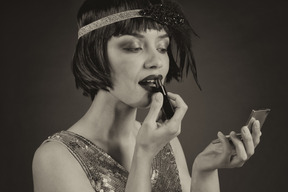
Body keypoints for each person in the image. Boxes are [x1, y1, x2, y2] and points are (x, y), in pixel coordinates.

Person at [32, 0, 262, 191]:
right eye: (133, 47)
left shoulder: (164, 141)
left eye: (162, 48)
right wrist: (143, 154)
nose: (157, 61)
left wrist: (205, 169)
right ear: (94, 55)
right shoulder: (55, 158)